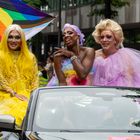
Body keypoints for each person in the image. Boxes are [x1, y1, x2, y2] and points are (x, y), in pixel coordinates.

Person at [0, 24, 39, 126]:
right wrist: (13, 92)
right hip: (4, 96)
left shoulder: (30, 58)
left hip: (26, 97)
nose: (13, 40)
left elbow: (35, 80)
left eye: (17, 37)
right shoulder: (0, 56)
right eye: (10, 37)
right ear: (5, 38)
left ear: (22, 39)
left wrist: (33, 98)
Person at [92, 19, 140, 87]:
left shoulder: (124, 55)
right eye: (102, 37)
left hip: (119, 93)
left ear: (116, 40)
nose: (104, 40)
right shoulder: (94, 55)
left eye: (108, 37)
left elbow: (129, 80)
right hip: (97, 92)